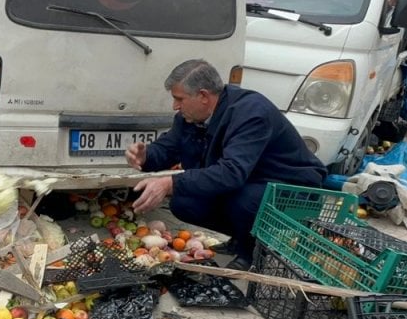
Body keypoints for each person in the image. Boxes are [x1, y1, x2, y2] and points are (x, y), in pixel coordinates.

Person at [124, 60, 327, 269]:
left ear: (203, 96)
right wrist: (146, 156)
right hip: (249, 182)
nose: (175, 106)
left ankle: (251, 252)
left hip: (294, 189)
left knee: (244, 199)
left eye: (179, 99)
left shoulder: (251, 112)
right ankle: (241, 236)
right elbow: (169, 147)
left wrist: (169, 183)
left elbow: (232, 173)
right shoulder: (189, 118)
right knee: (184, 202)